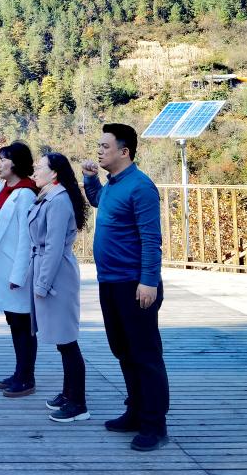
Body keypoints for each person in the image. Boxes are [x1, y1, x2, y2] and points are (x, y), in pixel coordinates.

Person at [82, 123, 170, 452]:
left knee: (145, 354)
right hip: (110, 282)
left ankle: (154, 425)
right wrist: (90, 179)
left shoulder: (141, 187)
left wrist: (148, 281)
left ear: (124, 152)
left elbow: (151, 238)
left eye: (105, 146)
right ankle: (135, 411)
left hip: (135, 284)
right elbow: (98, 201)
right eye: (99, 145)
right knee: (122, 350)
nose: (99, 150)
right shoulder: (113, 184)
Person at [30, 152, 89, 423]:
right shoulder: (50, 197)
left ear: (54, 173)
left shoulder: (58, 200)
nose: (35, 169)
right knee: (62, 340)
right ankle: (68, 393)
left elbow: (54, 247)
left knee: (67, 340)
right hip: (51, 270)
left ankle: (78, 403)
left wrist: (42, 283)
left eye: (40, 166)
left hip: (58, 275)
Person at [0, 142, 38, 397]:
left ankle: (26, 377)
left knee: (22, 323)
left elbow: (27, 238)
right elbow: (0, 202)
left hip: (15, 266)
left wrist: (18, 274)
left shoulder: (26, 193)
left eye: (3, 159)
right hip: (2, 263)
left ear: (16, 163)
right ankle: (19, 372)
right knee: (13, 320)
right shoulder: (7, 187)